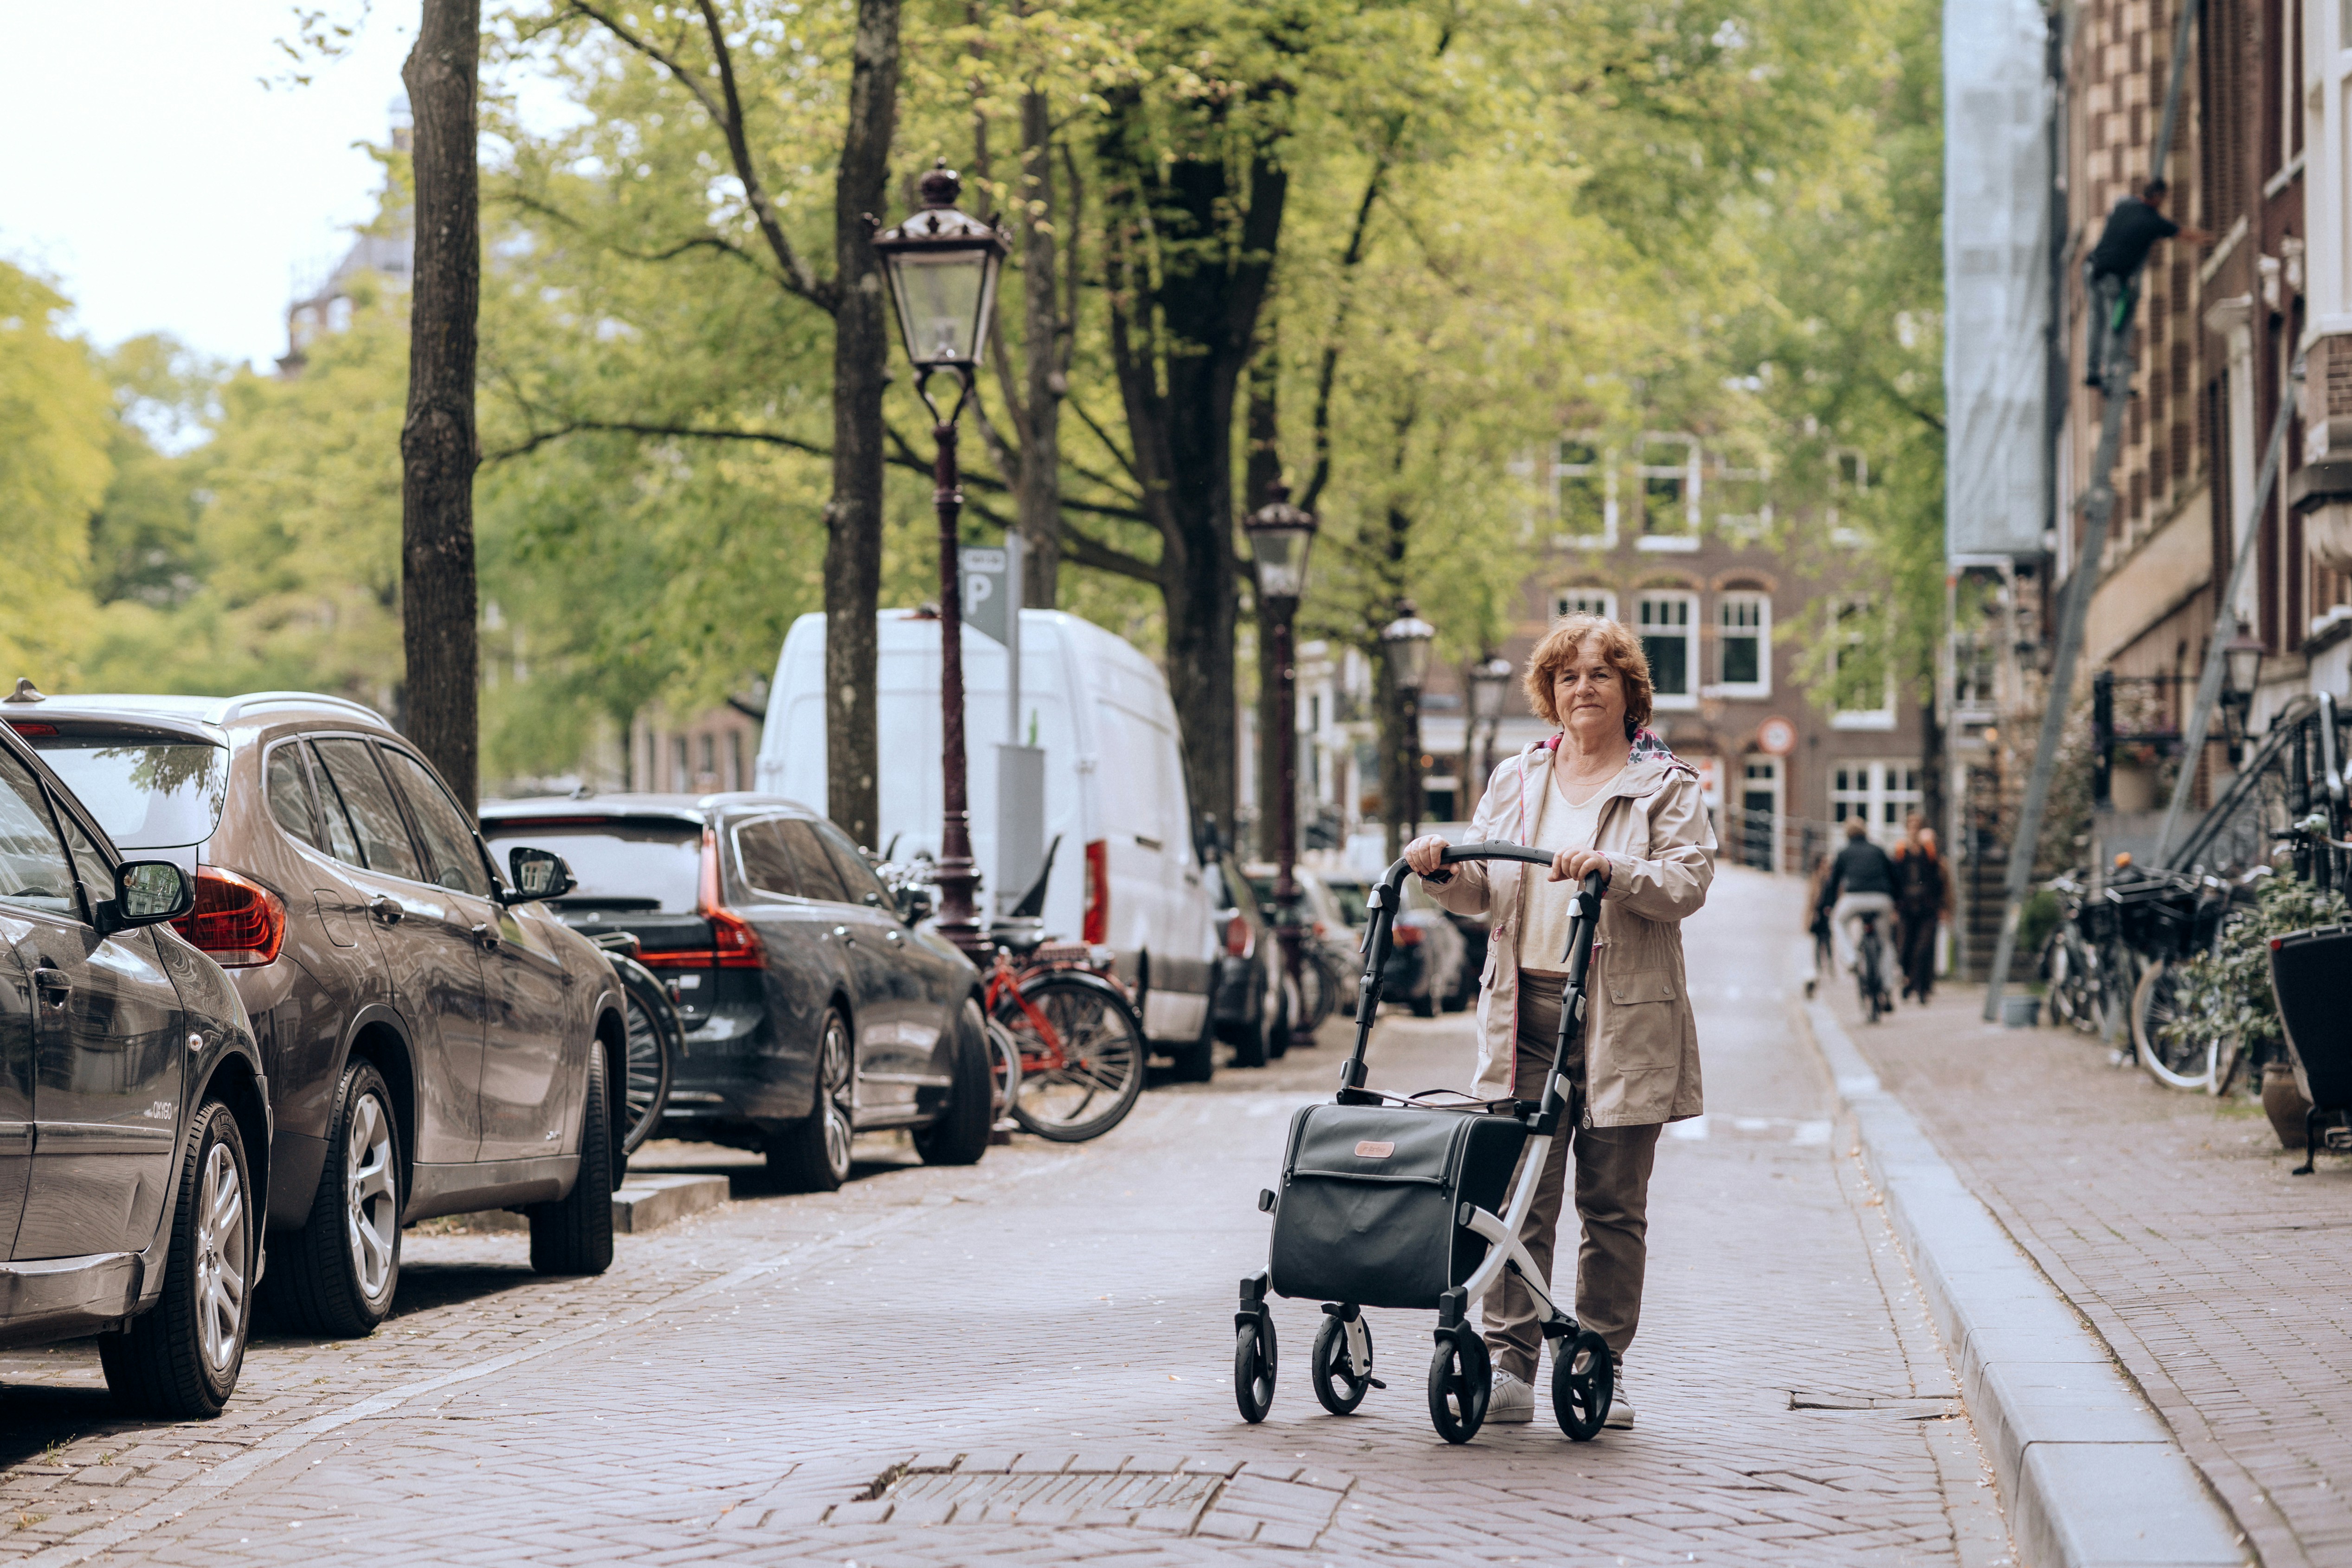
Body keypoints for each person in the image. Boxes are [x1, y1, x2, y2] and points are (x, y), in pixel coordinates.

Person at [1404, 613, 1714, 1433]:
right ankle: (1509, 1361)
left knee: (1611, 1203)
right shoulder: (1515, 777)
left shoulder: (1663, 782)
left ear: (1627, 691)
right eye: (1568, 675)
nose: (1583, 688)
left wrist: (1615, 871)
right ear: (1549, 690)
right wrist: (1444, 872)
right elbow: (1483, 888)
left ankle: (1598, 1364)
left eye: (1599, 675)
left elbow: (1685, 883)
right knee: (1515, 1197)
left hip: (1618, 1012)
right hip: (1524, 1010)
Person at [2083, 178, 2211, 387]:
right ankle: (2110, 374)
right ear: (2158, 197)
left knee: (2095, 321)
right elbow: (2185, 235)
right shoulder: (2153, 222)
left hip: (2092, 268)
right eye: (2164, 198)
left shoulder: (2125, 204)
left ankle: (2091, 370)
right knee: (2116, 324)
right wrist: (2209, 238)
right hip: (2112, 278)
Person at [1820, 819, 1897, 977]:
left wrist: (1829, 904)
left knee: (1838, 921)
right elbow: (1894, 876)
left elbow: (1833, 883)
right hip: (1881, 899)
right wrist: (1897, 901)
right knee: (1886, 942)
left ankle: (1851, 959)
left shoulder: (1844, 853)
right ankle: (1888, 984)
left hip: (1854, 898)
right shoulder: (1878, 850)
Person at [1890, 814, 1952, 1003]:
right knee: (1905, 948)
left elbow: (1939, 881)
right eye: (1911, 825)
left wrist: (1943, 906)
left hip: (1927, 907)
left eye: (1917, 825)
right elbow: (1894, 880)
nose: (1914, 829)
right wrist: (1894, 906)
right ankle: (1910, 980)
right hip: (1906, 908)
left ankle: (1919, 987)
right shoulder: (1901, 850)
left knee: (1923, 947)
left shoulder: (1930, 852)